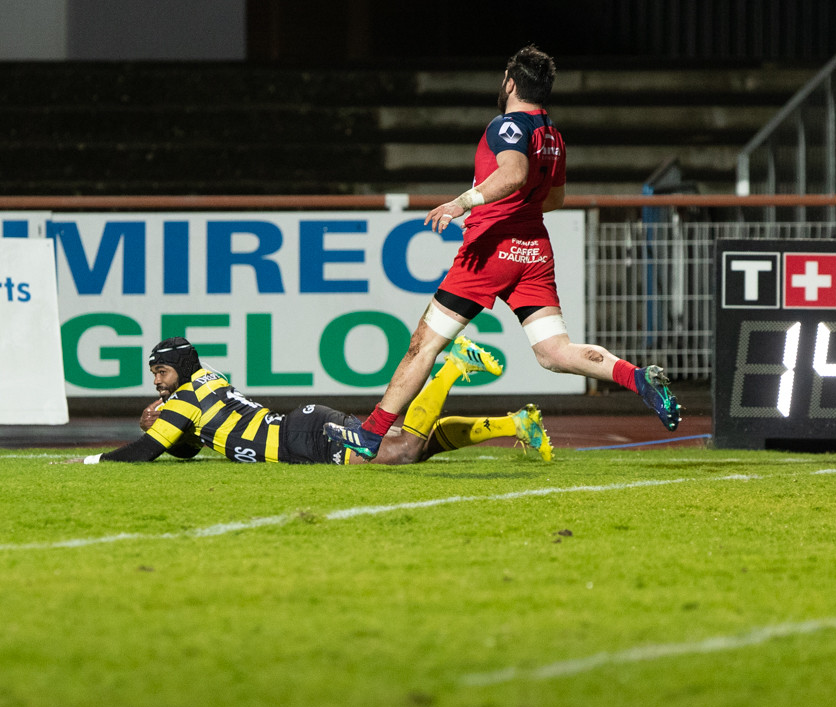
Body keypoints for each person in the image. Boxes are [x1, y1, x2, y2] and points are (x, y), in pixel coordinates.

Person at [323, 44, 681, 461]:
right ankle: (637, 378)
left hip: (491, 250)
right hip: (534, 251)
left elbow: (514, 173)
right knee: (554, 353)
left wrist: (464, 202)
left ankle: (370, 434)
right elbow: (554, 198)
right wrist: (520, 205)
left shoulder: (507, 125)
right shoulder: (554, 136)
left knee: (424, 345)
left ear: (511, 82)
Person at [66, 336, 553, 466]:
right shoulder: (208, 380)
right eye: (154, 373)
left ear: (182, 368)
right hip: (301, 427)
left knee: (399, 453)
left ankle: (448, 368)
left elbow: (146, 451)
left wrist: (98, 459)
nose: (157, 382)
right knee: (411, 446)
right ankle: (513, 424)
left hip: (302, 438)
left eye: (162, 371)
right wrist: (170, 431)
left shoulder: (184, 399)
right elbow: (187, 447)